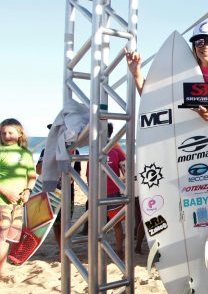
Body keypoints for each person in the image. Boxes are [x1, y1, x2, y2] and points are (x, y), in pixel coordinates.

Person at [126, 20, 208, 294]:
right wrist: (138, 74)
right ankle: (187, 289)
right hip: (176, 162)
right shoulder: (177, 75)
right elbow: (157, 107)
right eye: (199, 41)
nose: (205, 46)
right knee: (177, 227)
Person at [36, 124, 81, 253]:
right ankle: (61, 248)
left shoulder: (74, 151)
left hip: (66, 192)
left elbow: (74, 177)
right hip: (50, 191)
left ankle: (65, 247)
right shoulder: (46, 151)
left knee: (65, 221)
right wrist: (50, 158)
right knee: (54, 221)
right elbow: (38, 170)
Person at [0, 118, 36, 277]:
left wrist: (28, 190)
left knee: (9, 237)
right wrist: (5, 191)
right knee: (1, 236)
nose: (6, 136)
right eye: (3, 133)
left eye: (10, 132)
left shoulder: (26, 154)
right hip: (2, 201)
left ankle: (2, 269)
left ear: (20, 134)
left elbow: (32, 176)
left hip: (18, 204)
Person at [86, 123, 125, 257]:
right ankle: (97, 250)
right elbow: (88, 174)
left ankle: (119, 250)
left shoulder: (116, 149)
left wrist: (123, 187)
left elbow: (126, 171)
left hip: (113, 192)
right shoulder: (94, 150)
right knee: (96, 224)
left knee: (116, 223)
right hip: (98, 193)